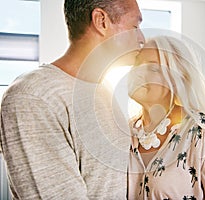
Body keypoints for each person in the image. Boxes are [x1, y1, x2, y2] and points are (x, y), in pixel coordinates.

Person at [0, 0, 144, 199]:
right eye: (135, 26)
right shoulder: (34, 96)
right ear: (101, 20)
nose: (142, 38)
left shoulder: (103, 92)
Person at [127, 36, 205, 199]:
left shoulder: (204, 133)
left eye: (154, 68)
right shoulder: (123, 131)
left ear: (177, 80)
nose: (139, 73)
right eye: (137, 64)